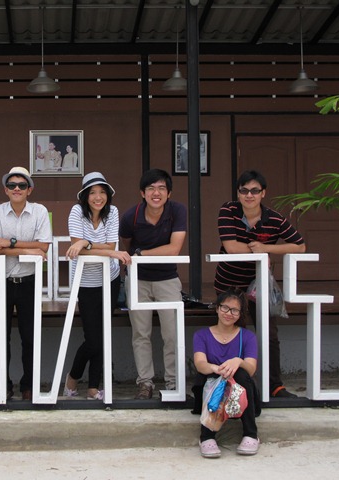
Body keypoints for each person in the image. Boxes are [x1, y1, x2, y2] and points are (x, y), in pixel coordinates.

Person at [214, 170, 306, 398]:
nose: (249, 195)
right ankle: (237, 386)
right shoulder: (228, 210)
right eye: (244, 190)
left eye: (255, 191)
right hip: (229, 285)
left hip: (259, 286)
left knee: (270, 334)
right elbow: (231, 247)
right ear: (238, 193)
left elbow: (300, 246)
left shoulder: (274, 219)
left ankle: (275, 385)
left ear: (263, 193)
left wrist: (266, 248)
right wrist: (258, 252)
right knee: (235, 333)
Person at [0, 166, 52, 401]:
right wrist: (27, 249)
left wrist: (10, 243)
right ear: (5, 189)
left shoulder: (39, 212)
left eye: (22, 185)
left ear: (29, 190)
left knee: (29, 337)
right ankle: (2, 385)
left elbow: (44, 246)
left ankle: (29, 385)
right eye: (12, 185)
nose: (16, 189)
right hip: (0, 281)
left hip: (28, 282)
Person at [119, 169, 187, 399]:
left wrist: (141, 253)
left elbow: (174, 249)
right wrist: (136, 256)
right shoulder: (131, 216)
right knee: (141, 334)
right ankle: (145, 384)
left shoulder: (177, 211)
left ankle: (174, 384)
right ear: (142, 193)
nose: (156, 193)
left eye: (161, 188)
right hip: (138, 279)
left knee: (172, 334)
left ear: (169, 193)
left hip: (167, 278)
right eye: (150, 188)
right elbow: (127, 246)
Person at [63, 172, 131, 400]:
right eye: (93, 192)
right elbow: (77, 249)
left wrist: (87, 243)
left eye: (102, 192)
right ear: (85, 196)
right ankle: (73, 377)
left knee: (103, 335)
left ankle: (93, 387)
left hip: (109, 279)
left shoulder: (113, 212)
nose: (98, 197)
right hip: (85, 282)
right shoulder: (76, 212)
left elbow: (111, 246)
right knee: (93, 339)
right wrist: (85, 244)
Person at [193, 289, 260, 458]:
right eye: (225, 308)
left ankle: (251, 434)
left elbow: (251, 369)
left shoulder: (248, 336)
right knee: (211, 377)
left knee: (242, 374)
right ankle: (207, 437)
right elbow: (200, 364)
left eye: (235, 310)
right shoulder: (201, 335)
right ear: (217, 308)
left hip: (238, 392)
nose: (229, 313)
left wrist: (238, 361)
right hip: (211, 385)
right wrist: (215, 368)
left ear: (240, 314)